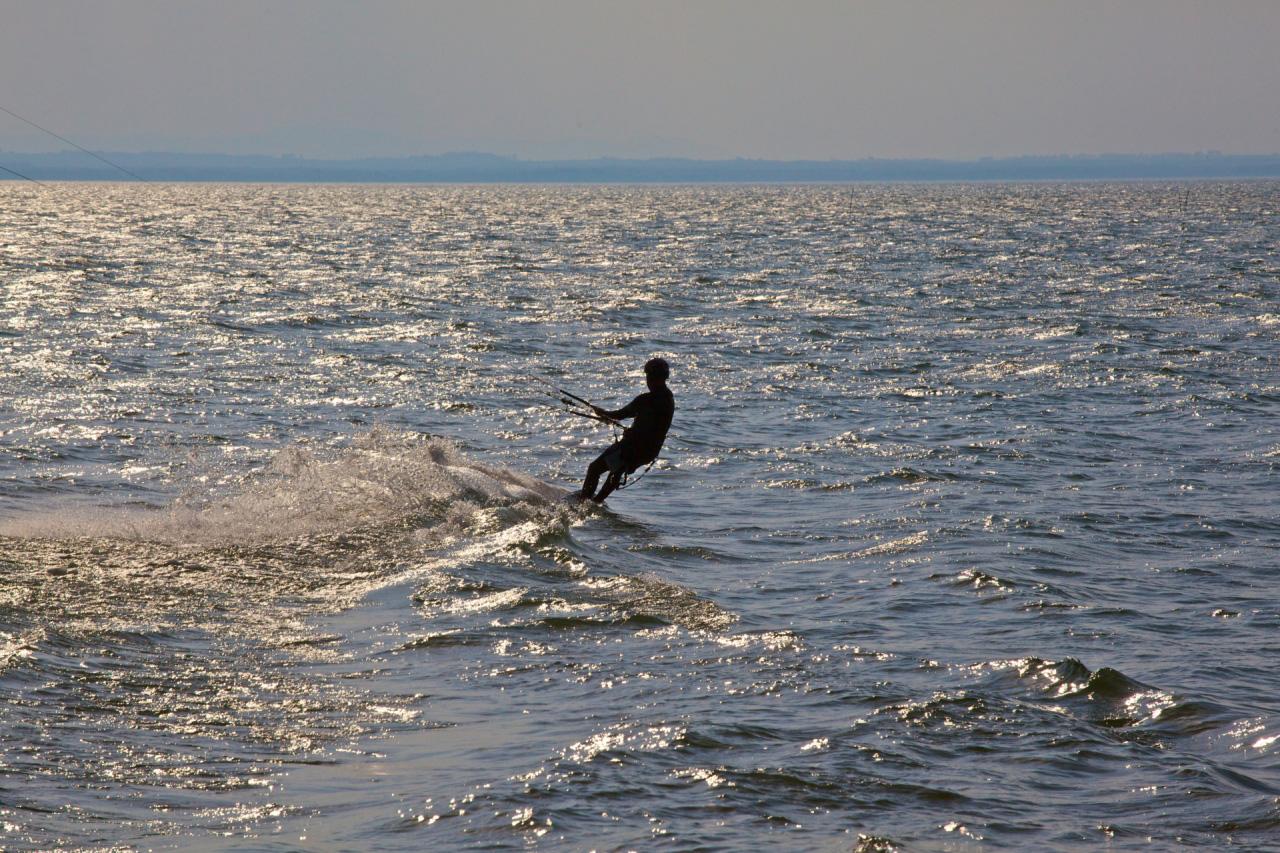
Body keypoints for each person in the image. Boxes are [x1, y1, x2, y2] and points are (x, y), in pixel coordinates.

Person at [575, 357, 675, 503]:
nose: (648, 381)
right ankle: (596, 502)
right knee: (617, 471)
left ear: (652, 377)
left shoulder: (646, 400)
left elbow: (619, 415)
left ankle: (584, 502)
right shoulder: (669, 399)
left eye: (649, 377)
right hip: (649, 452)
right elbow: (651, 426)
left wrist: (601, 412)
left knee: (595, 468)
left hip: (632, 447)